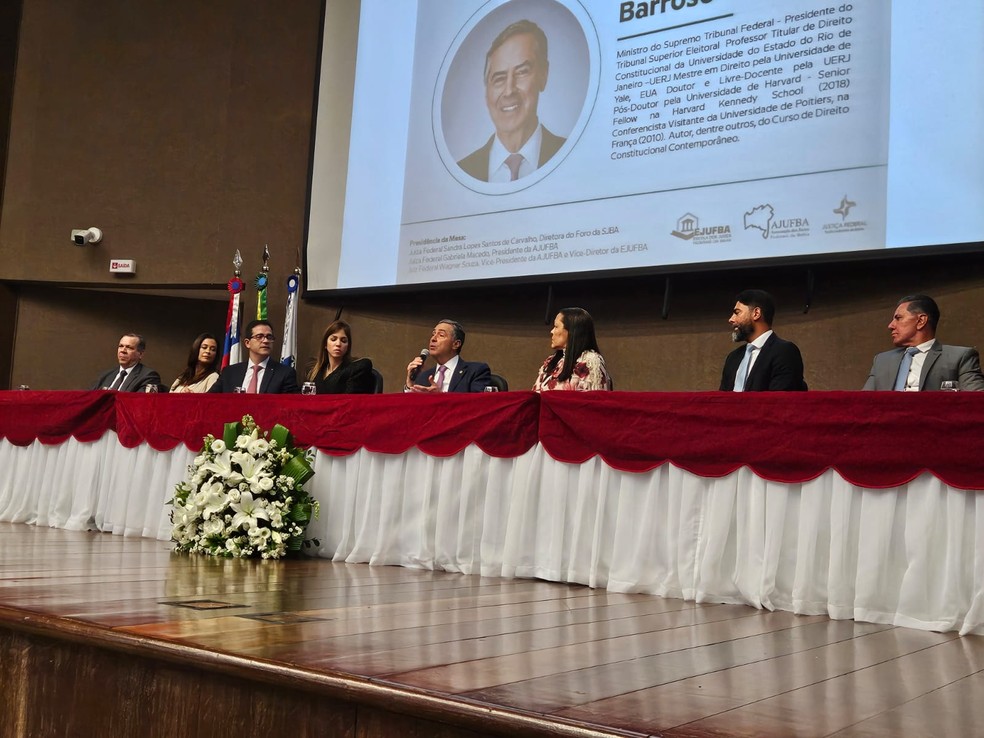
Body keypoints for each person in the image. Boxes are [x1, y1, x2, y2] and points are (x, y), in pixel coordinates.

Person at [457, 19, 566, 182]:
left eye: (522, 72)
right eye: (499, 78)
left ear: (544, 75)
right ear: (486, 92)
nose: (509, 91)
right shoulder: (462, 172)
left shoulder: (571, 154)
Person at [862, 294, 984, 391]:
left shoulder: (959, 357)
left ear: (921, 321)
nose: (890, 325)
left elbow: (976, 402)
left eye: (898, 318)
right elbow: (863, 403)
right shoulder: (882, 361)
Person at [719, 290, 807, 392]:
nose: (731, 319)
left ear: (756, 313)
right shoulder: (733, 357)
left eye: (737, 313)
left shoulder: (784, 352)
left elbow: (781, 401)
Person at [209, 320, 300, 394]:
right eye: (259, 336)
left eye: (269, 337)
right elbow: (208, 399)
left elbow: (290, 406)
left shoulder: (285, 373)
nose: (265, 341)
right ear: (247, 343)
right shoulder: (229, 372)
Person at [533, 307, 611, 392]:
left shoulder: (590, 362)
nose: (552, 331)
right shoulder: (551, 362)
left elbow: (595, 401)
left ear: (571, 331)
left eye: (556, 327)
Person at [405, 319, 492, 393]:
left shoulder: (475, 371)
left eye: (441, 335)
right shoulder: (423, 376)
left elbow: (479, 406)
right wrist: (410, 384)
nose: (433, 339)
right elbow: (410, 409)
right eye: (433, 334)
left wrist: (441, 397)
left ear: (456, 344)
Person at [307, 320, 375, 394]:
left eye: (343, 341)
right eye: (333, 339)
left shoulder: (358, 367)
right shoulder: (315, 371)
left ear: (348, 346)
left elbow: (350, 400)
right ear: (325, 344)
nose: (338, 344)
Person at [91, 333, 162, 392]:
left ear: (140, 354)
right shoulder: (106, 375)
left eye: (129, 347)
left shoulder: (149, 376)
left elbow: (141, 404)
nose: (123, 350)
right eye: (121, 346)